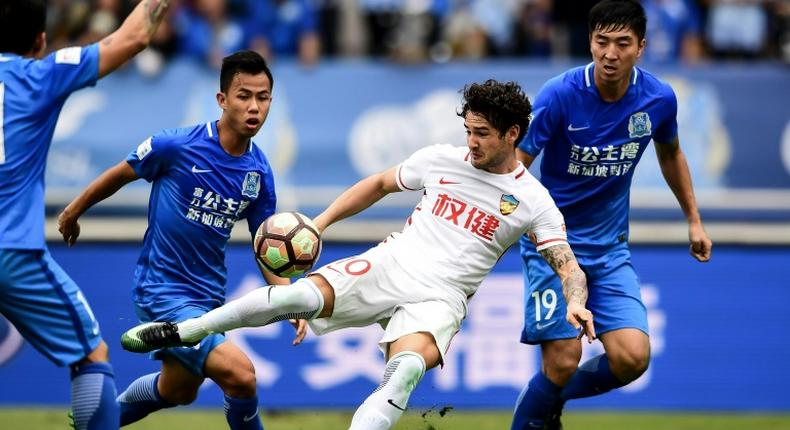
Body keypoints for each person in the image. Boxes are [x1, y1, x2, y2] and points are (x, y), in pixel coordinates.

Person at [118, 79, 597, 430]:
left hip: (441, 299)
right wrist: (319, 224)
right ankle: (184, 330)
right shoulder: (441, 159)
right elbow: (379, 184)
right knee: (295, 297)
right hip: (391, 264)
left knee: (404, 373)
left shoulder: (533, 199)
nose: (471, 143)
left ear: (513, 133)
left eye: (483, 134)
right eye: (468, 130)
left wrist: (575, 300)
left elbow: (566, 265)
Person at [509, 1, 713, 429]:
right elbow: (516, 164)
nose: (610, 53)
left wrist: (693, 218)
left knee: (632, 358)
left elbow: (671, 152)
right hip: (554, 246)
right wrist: (504, 222)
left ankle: (546, 400)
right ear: (590, 42)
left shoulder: (657, 98)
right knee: (564, 359)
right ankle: (538, 407)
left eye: (623, 43)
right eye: (602, 42)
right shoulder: (560, 94)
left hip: (608, 249)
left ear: (641, 47)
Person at [57, 50, 287, 430]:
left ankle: (96, 420)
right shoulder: (176, 145)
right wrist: (73, 211)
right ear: (222, 99)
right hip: (161, 289)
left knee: (179, 390)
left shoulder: (259, 172)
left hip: (209, 299)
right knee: (242, 375)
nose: (254, 107)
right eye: (244, 95)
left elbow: (266, 244)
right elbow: (120, 173)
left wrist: (288, 296)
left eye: (262, 98)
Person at [0, 1, 171, 429]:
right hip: (9, 250)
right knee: (90, 355)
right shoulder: (40, 73)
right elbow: (133, 38)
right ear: (40, 41)